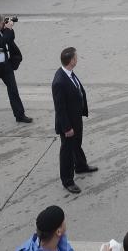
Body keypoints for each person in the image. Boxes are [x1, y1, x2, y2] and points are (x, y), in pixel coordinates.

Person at [52, 47, 96, 194]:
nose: (77, 59)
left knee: (77, 144)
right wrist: (67, 128)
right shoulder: (59, 81)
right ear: (71, 61)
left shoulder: (69, 73)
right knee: (67, 152)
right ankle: (67, 181)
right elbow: (60, 108)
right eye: (76, 57)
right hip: (68, 124)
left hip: (76, 118)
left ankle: (81, 166)